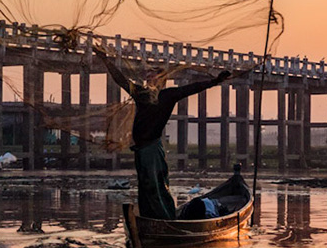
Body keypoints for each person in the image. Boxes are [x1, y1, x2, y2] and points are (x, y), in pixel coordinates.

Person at [97, 48, 236, 220]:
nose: (148, 77)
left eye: (152, 75)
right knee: (145, 187)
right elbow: (121, 81)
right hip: (141, 150)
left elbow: (192, 88)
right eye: (147, 75)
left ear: (162, 80)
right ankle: (150, 219)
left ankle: (164, 219)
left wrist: (215, 81)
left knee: (155, 187)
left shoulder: (168, 95)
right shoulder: (141, 94)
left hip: (152, 150)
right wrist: (105, 60)